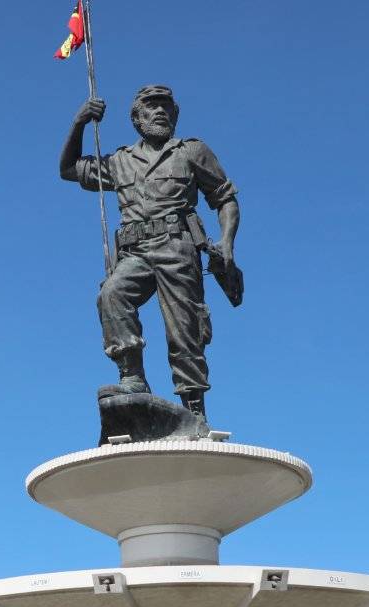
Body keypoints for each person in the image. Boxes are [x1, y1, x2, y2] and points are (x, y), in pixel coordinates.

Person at [59, 84, 242, 425]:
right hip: (136, 251)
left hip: (177, 246)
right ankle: (132, 377)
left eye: (166, 107)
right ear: (137, 118)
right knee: (112, 295)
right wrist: (79, 122)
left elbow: (224, 198)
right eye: (152, 107)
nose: (160, 112)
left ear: (175, 114)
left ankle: (194, 407)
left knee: (184, 327)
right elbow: (68, 169)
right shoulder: (120, 160)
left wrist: (227, 243)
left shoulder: (191, 151)